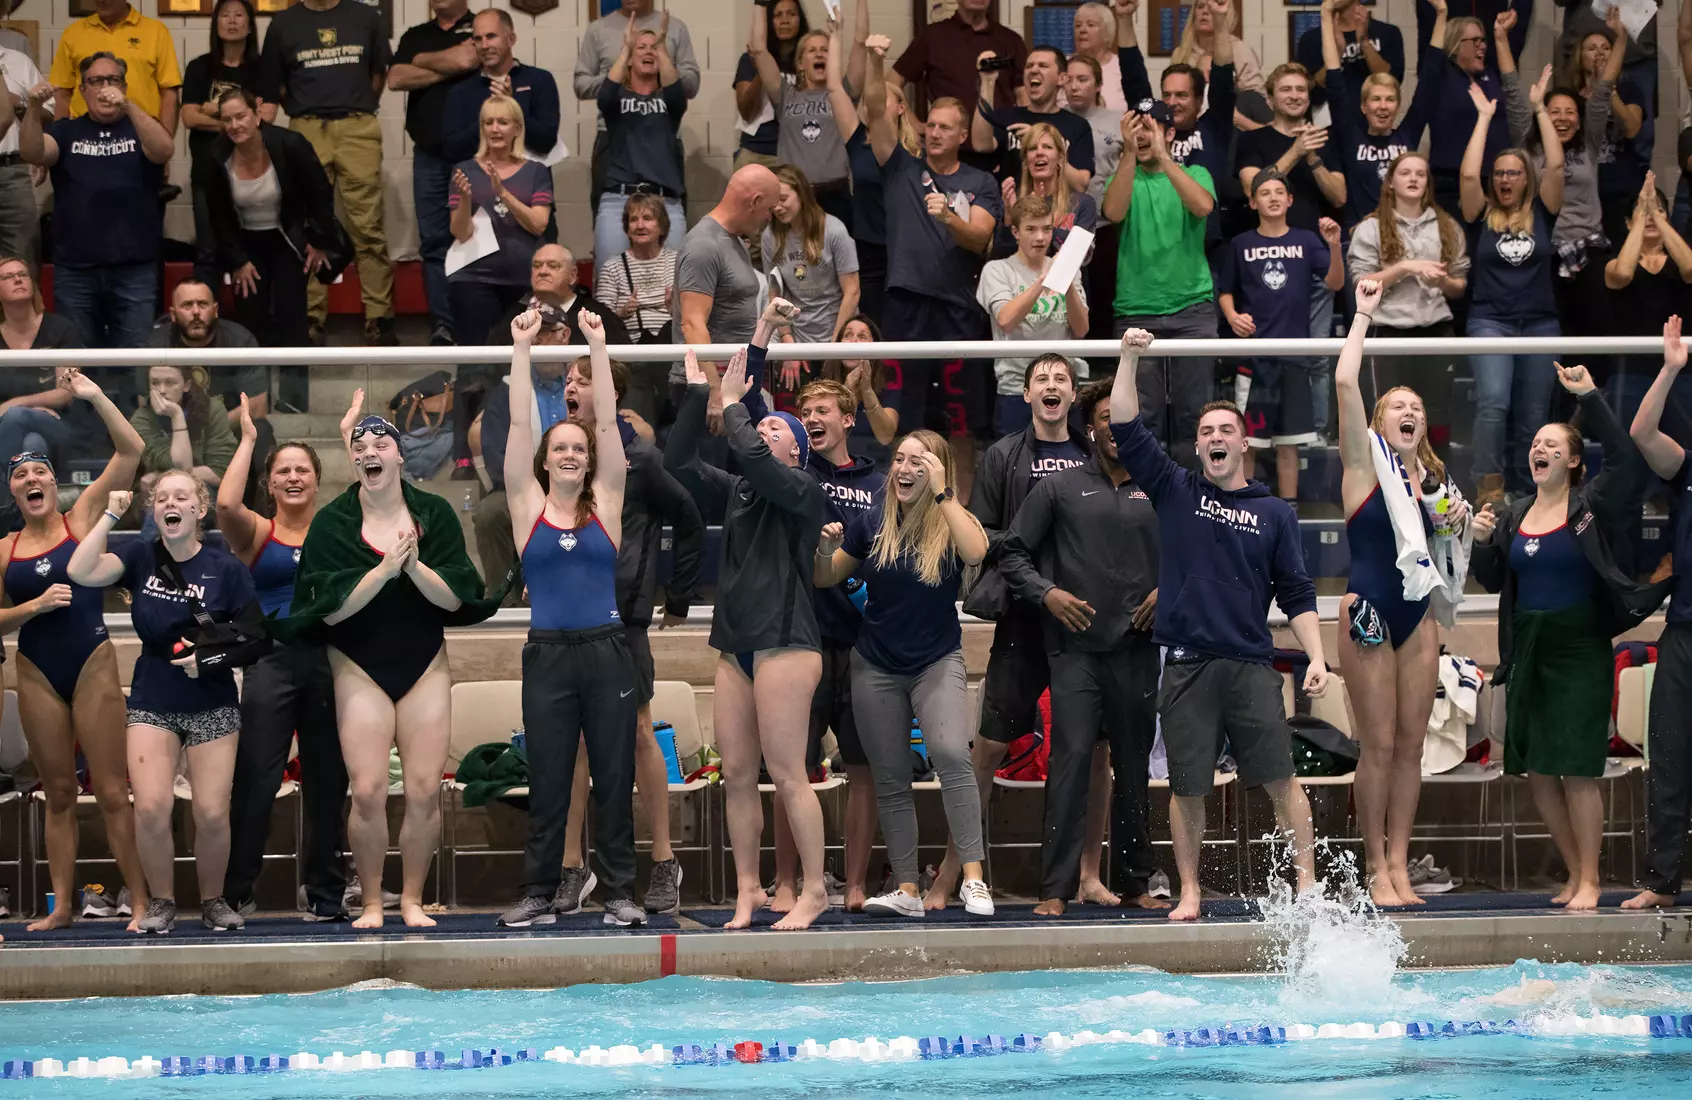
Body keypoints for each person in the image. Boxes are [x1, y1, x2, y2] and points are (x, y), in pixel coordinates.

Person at [1109, 329, 1331, 923]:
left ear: (1243, 443)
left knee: (1280, 780)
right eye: (1205, 432)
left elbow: (1299, 592)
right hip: (1184, 664)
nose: (1213, 438)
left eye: (1224, 430)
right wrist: (1129, 359)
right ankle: (1189, 891)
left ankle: (1307, 885)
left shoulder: (1275, 512)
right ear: (1198, 446)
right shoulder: (1177, 491)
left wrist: (1315, 655)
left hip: (1251, 664)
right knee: (1188, 787)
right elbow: (1126, 426)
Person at [283, 405, 505, 929]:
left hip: (423, 662)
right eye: (359, 447)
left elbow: (455, 599)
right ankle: (372, 901)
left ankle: (410, 898)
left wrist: (414, 568)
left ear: (400, 458)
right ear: (353, 461)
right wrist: (384, 572)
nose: (369, 452)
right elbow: (327, 609)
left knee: (425, 789)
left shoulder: (435, 515)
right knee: (367, 790)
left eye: (380, 444)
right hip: (358, 663)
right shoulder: (334, 522)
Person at [1471, 362, 1660, 911]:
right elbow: (1492, 578)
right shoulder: (1514, 516)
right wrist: (1484, 541)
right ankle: (1574, 871)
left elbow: (1627, 458)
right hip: (1529, 647)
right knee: (1537, 769)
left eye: (1553, 444)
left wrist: (1591, 397)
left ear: (1574, 460)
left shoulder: (1591, 508)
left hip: (1579, 649)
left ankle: (1591, 879)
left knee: (1577, 770)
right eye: (1535, 443)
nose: (1540, 449)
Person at [931, 354, 1113, 909]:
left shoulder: (1094, 453)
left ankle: (1087, 872)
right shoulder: (1003, 457)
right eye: (1043, 379)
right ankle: (952, 874)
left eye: (1062, 379)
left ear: (1072, 394)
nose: (1052, 386)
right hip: (1023, 620)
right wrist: (1038, 591)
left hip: (1084, 623)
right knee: (986, 749)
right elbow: (986, 540)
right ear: (1027, 394)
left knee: (1096, 753)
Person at [666, 345, 829, 931]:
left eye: (775, 427)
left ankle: (813, 890)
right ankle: (747, 891)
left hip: (786, 642)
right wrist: (696, 397)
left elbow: (757, 461)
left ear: (795, 449)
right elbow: (678, 461)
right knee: (736, 776)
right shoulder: (740, 491)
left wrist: (735, 404)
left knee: (787, 774)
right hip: (735, 643)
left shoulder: (805, 489)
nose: (763, 429)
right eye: (760, 424)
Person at [493, 306, 646, 929]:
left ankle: (620, 893)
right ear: (546, 457)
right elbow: (519, 426)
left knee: (613, 776)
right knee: (551, 778)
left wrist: (598, 346)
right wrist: (522, 351)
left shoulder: (606, 501)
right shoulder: (525, 503)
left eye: (578, 448)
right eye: (560, 447)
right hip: (549, 655)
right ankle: (539, 890)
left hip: (608, 650)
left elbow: (607, 421)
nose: (570, 454)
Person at [68, 472, 264, 934]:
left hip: (212, 698)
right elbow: (79, 571)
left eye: (181, 496)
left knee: (212, 812)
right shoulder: (140, 556)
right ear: (154, 511)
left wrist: (209, 658)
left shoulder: (226, 568)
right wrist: (113, 514)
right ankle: (161, 902)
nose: (169, 503)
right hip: (154, 696)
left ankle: (214, 900)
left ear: (200, 509)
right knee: (152, 807)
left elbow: (256, 639)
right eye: (160, 499)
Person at [548, 344, 705, 919]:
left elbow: (690, 520)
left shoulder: (639, 460)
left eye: (582, 379)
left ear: (608, 394)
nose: (571, 387)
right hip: (567, 619)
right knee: (575, 746)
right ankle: (572, 867)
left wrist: (680, 598)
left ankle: (664, 860)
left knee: (641, 734)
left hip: (623, 620)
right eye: (568, 379)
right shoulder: (561, 457)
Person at [999, 376, 1165, 916]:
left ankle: (1136, 882)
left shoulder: (1161, 485)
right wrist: (1047, 595)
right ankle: (1055, 889)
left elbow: (1197, 554)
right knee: (1069, 767)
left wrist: (1171, 591)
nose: (1114, 429)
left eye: (1122, 419)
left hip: (1138, 652)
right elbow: (1011, 554)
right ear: (1089, 429)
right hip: (1074, 655)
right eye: (1103, 421)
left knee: (1135, 769)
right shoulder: (1060, 487)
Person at [815, 430, 992, 918]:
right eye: (899, 459)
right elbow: (827, 576)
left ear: (938, 471)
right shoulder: (872, 519)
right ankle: (908, 888)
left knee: (953, 755)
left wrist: (943, 492)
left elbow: (976, 553)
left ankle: (973, 880)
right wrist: (823, 549)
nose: (905, 468)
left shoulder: (952, 517)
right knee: (890, 778)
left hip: (936, 661)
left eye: (920, 461)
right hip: (874, 664)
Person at [1334, 279, 1467, 907]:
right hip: (1368, 609)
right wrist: (1361, 315)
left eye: (1416, 406)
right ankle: (1372, 866)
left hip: (1420, 617)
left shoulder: (1437, 487)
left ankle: (1400, 861)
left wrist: (1469, 526)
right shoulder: (1364, 464)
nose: (1408, 412)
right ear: (1378, 422)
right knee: (1379, 743)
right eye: (1396, 406)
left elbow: (1448, 553)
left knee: (1412, 745)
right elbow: (1342, 382)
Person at [0, 370, 148, 931]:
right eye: (22, 475)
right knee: (57, 791)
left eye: (41, 471)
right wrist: (29, 609)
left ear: (53, 484)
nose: (33, 479)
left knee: (111, 790)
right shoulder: (5, 548)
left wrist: (96, 397)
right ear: (12, 490)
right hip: (36, 668)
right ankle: (61, 906)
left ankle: (138, 900)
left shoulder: (79, 516)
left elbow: (131, 450)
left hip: (91, 660)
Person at [217, 397, 346, 921]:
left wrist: (348, 433)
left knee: (327, 781)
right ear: (269, 484)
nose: (293, 477)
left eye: (302, 470)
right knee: (257, 778)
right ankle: (239, 889)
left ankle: (325, 892)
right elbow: (225, 507)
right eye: (283, 471)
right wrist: (249, 441)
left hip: (329, 662)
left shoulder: (338, 531)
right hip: (270, 661)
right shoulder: (259, 533)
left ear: (317, 480)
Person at [866, 38, 1000, 458]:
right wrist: (876, 61)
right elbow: (873, 108)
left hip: (958, 309)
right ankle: (905, 513)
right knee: (904, 418)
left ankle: (959, 513)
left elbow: (980, 238)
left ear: (963, 135)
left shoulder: (980, 183)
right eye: (932, 124)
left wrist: (949, 219)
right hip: (905, 305)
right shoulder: (900, 166)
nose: (935, 132)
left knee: (961, 421)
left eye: (946, 127)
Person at [792, 375, 885, 910]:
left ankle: (853, 884)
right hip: (801, 640)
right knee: (793, 766)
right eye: (806, 410)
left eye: (824, 409)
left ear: (848, 420)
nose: (813, 417)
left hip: (862, 644)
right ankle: (792, 882)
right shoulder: (794, 474)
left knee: (862, 768)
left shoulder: (877, 482)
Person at [258, 0, 394, 346]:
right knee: (310, 225)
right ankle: (310, 319)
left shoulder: (366, 17)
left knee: (368, 227)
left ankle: (379, 318)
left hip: (357, 124)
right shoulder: (283, 24)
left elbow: (378, 75)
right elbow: (278, 86)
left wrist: (352, 107)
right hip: (306, 126)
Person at [19, 56, 172, 350]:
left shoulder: (139, 127)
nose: (105, 88)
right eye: (96, 81)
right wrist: (34, 109)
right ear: (82, 89)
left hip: (134, 269)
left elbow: (164, 150)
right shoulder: (66, 131)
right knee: (76, 363)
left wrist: (128, 106)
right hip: (76, 270)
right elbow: (32, 152)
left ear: (124, 86)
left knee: (136, 360)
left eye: (113, 80)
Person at [1460, 77, 1564, 502]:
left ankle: (1534, 489)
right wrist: (1484, 117)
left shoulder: (1544, 211)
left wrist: (1541, 109)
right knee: (1493, 403)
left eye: (1513, 173)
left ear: (1526, 179)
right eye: (1499, 173)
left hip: (1541, 323)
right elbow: (1469, 172)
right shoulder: (1479, 211)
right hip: (1490, 322)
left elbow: (1556, 166)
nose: (1505, 179)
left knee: (1535, 415)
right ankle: (1490, 484)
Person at [1218, 173, 1344, 503]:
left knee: (1289, 445)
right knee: (1249, 444)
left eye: (1279, 192)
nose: (1272, 198)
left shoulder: (1306, 240)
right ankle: (1243, 509)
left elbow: (1334, 283)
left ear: (1290, 200)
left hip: (1294, 358)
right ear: (1252, 202)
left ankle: (1289, 513)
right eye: (1264, 192)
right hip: (1255, 361)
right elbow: (1226, 292)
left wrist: (1333, 245)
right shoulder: (1241, 244)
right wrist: (1232, 316)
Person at [1100, 103, 1217, 458]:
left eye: (1150, 127)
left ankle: (1194, 498)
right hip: (1137, 311)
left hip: (1192, 310)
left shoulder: (1196, 172)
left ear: (1169, 133)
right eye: (1135, 127)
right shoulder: (1123, 176)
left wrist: (1166, 158)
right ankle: (1144, 501)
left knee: (1195, 415)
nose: (1141, 135)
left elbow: (1202, 207)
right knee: (1140, 415)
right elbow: (1113, 212)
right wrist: (1128, 156)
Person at [1625, 315, 1692, 910]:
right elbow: (1643, 430)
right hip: (1686, 630)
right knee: (1669, 754)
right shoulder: (1687, 468)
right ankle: (1663, 881)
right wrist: (1670, 369)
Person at [1501, 8, 1617, 344]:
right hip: (1543, 252)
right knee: (1552, 333)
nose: (1563, 118)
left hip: (1589, 253)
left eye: (1570, 113)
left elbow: (1604, 92)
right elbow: (1512, 91)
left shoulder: (1590, 145)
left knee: (1596, 333)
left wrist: (1620, 39)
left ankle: (1595, 393)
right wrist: (1500, 38)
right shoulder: (1528, 145)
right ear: (1543, 117)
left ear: (1580, 121)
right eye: (1555, 112)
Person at [196, 89, 337, 354]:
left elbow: (320, 194)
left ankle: (293, 395)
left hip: (286, 236)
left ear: (257, 115)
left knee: (292, 319)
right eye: (228, 120)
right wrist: (237, 260)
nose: (235, 126)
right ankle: (252, 393)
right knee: (249, 319)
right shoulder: (216, 156)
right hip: (246, 241)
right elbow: (219, 215)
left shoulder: (290, 145)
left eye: (241, 116)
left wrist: (318, 241)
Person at [1345, 152, 1470, 417]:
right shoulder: (1371, 227)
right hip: (1389, 332)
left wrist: (1443, 281)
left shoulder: (1447, 225)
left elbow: (1459, 286)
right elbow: (1362, 282)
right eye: (1405, 173)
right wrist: (1405, 268)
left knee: (1436, 416)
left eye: (1420, 174)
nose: (1413, 178)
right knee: (1390, 415)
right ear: (1390, 182)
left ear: (1428, 182)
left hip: (1436, 330)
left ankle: (1435, 461)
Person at [390, 0, 479, 346]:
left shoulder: (478, 27)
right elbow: (396, 78)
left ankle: (472, 320)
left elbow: (469, 59)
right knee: (434, 243)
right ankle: (443, 325)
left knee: (474, 238)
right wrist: (452, 64)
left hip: (473, 155)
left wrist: (422, 62)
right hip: (428, 154)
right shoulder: (416, 35)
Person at [447, 95, 554, 363]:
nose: (495, 129)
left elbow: (539, 223)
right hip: (474, 279)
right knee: (477, 364)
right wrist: (464, 201)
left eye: (502, 122)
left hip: (522, 281)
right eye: (488, 122)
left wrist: (502, 193)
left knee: (522, 361)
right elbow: (460, 233)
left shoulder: (537, 171)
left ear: (517, 128)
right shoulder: (464, 171)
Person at [148, 280, 274, 507]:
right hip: (172, 434)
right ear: (173, 314)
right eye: (187, 305)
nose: (196, 312)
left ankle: (265, 519)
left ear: (215, 309)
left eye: (202, 304)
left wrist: (210, 429)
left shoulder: (239, 340)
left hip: (228, 432)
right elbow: (144, 404)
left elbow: (257, 406)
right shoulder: (157, 344)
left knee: (262, 431)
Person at [978, 196, 1090, 438]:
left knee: (1070, 468)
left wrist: (1067, 282)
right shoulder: (997, 270)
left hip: (1064, 386)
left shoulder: (1068, 270)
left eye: (1046, 229)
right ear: (1016, 232)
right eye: (1031, 229)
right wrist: (1044, 281)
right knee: (1015, 470)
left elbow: (1081, 329)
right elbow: (1006, 319)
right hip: (1017, 388)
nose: (1040, 238)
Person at [181, 0, 272, 289]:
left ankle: (253, 321)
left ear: (249, 25)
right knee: (207, 250)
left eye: (239, 15)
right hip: (209, 170)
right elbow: (188, 116)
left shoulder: (263, 68)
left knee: (251, 247)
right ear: (216, 23)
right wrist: (237, 119)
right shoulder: (200, 67)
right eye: (225, 15)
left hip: (253, 172)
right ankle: (203, 318)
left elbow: (267, 114)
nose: (232, 21)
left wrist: (212, 108)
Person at [1319, 0, 1432, 230]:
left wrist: (1441, 15)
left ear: (1398, 106)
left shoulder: (1407, 135)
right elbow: (1334, 81)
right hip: (1362, 238)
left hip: (1405, 234)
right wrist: (1325, 14)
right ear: (1363, 106)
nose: (1382, 106)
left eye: (1390, 100)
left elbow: (1431, 81)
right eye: (1375, 99)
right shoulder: (1351, 138)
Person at [676, 163, 779, 412]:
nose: (769, 218)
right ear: (754, 201)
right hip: (710, 387)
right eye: (769, 209)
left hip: (733, 383)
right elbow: (692, 324)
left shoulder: (735, 242)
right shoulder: (704, 244)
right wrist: (714, 391)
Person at [830, 21, 913, 325]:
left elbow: (877, 109)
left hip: (902, 248)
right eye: (863, 101)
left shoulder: (913, 152)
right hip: (867, 249)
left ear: (901, 108)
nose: (868, 106)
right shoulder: (858, 143)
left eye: (876, 98)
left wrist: (876, 60)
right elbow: (834, 88)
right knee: (872, 325)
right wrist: (837, 34)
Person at [596, 16, 687, 267]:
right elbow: (604, 96)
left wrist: (662, 46)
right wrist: (626, 47)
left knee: (675, 281)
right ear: (630, 59)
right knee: (608, 279)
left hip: (665, 201)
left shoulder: (669, 102)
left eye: (654, 47)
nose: (649, 51)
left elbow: (677, 91)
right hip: (619, 199)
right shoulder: (617, 99)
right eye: (642, 47)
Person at [761, 165, 861, 395]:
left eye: (783, 198)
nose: (777, 207)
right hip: (798, 337)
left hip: (835, 331)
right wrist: (788, 342)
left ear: (802, 194)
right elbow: (775, 294)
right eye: (773, 201)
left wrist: (835, 346)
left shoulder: (834, 230)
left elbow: (852, 291)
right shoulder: (770, 236)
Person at [750, 9, 852, 228]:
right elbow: (758, 50)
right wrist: (760, 4)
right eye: (812, 50)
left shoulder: (844, 94)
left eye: (825, 50)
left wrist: (838, 33)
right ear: (800, 63)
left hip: (834, 194)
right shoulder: (786, 94)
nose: (819, 54)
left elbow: (861, 45)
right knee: (792, 260)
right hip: (792, 194)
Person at [1606, 179, 1692, 426]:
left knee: (1685, 447)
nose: (1651, 218)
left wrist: (1651, 211)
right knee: (1630, 446)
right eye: (1641, 212)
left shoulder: (1681, 262)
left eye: (1660, 210)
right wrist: (1646, 214)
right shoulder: (1612, 264)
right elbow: (1622, 274)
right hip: (1631, 372)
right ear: (1628, 223)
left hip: (1682, 372)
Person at [1561, 7, 1647, 244]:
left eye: (1606, 48)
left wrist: (1607, 91)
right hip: (1581, 192)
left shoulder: (1630, 89)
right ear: (1580, 56)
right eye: (1591, 48)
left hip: (1620, 189)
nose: (1599, 53)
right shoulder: (1568, 96)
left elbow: (1631, 128)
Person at [1418, 0, 1510, 215]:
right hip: (1451, 182)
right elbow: (1430, 51)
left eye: (1484, 40)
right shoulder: (1440, 78)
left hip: (1495, 181)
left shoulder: (1491, 76)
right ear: (1456, 44)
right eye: (1475, 41)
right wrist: (1440, 12)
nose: (1483, 46)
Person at [593, 193, 680, 420]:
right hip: (631, 353)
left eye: (647, 218)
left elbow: (695, 315)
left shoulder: (679, 262)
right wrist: (621, 313)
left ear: (661, 226)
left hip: (671, 350)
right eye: (633, 219)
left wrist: (675, 310)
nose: (640, 225)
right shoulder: (613, 267)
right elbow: (600, 322)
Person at [1236, 64, 1346, 235]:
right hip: (1268, 243)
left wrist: (1312, 157)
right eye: (1286, 89)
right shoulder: (1251, 139)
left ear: (1308, 99)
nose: (1294, 96)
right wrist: (1296, 151)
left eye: (1301, 90)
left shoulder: (1323, 139)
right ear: (1270, 101)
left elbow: (1339, 198)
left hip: (1317, 243)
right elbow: (1254, 190)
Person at [973, 46, 1095, 194]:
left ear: (1062, 78)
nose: (1034, 70)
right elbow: (981, 144)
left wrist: (1040, 142)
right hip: (1013, 210)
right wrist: (987, 81)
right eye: (1029, 66)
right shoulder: (1009, 117)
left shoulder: (1077, 125)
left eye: (1043, 66)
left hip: (1057, 212)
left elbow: (1081, 184)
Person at [0, 261, 82, 473]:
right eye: (8, 277)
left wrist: (17, 405)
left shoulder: (60, 329)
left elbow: (67, 392)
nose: (18, 279)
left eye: (23, 274)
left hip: (58, 424)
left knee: (16, 417)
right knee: (32, 445)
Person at [48, 0, 180, 131]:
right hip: (84, 136)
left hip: (141, 132)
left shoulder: (156, 31)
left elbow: (169, 93)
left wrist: (164, 139)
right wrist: (59, 139)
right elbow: (62, 93)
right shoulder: (73, 33)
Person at [890, 0, 1027, 122]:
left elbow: (1023, 95)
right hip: (948, 143)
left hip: (1000, 142)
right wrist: (913, 125)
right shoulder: (932, 37)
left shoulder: (1011, 40)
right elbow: (892, 83)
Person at [132, 365, 237, 506]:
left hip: (207, 493)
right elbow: (181, 467)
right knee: (165, 502)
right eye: (155, 383)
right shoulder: (142, 420)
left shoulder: (212, 410)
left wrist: (159, 477)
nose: (162, 390)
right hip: (156, 496)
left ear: (186, 385)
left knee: (185, 501)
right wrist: (177, 416)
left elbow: (221, 473)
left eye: (170, 383)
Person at [994, 122, 1099, 257]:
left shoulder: (1083, 204)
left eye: (1047, 147)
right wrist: (1010, 216)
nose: (1039, 152)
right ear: (1026, 162)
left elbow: (1081, 257)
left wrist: (1039, 220)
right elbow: (999, 256)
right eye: (1032, 149)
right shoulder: (1014, 200)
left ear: (1060, 158)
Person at [734, 0, 807, 172]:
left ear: (800, 19)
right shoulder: (749, 60)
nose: (785, 20)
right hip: (758, 151)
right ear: (768, 21)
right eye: (777, 15)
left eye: (791, 14)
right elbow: (746, 112)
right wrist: (762, 67)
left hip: (799, 151)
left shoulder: (809, 59)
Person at [1298, 0, 1405, 113]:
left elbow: (1392, 82)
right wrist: (1337, 53)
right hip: (1330, 123)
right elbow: (1312, 89)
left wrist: (1364, 43)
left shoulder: (1388, 33)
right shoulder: (1310, 39)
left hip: (1375, 121)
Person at [820, 314, 900, 463]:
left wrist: (867, 390)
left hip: (877, 469)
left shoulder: (887, 386)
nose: (854, 342)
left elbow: (885, 437)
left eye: (862, 337)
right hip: (833, 469)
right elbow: (822, 436)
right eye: (848, 335)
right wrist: (847, 394)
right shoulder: (823, 387)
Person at [1169, 0, 1264, 100]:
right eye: (1200, 6)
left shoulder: (1240, 50)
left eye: (1211, 7)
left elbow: (1257, 98)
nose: (1204, 12)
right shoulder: (1181, 53)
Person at [1071, 3, 1125, 112]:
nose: (1082, 30)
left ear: (1107, 33)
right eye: (1078, 25)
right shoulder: (1064, 66)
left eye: (1090, 25)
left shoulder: (1122, 68)